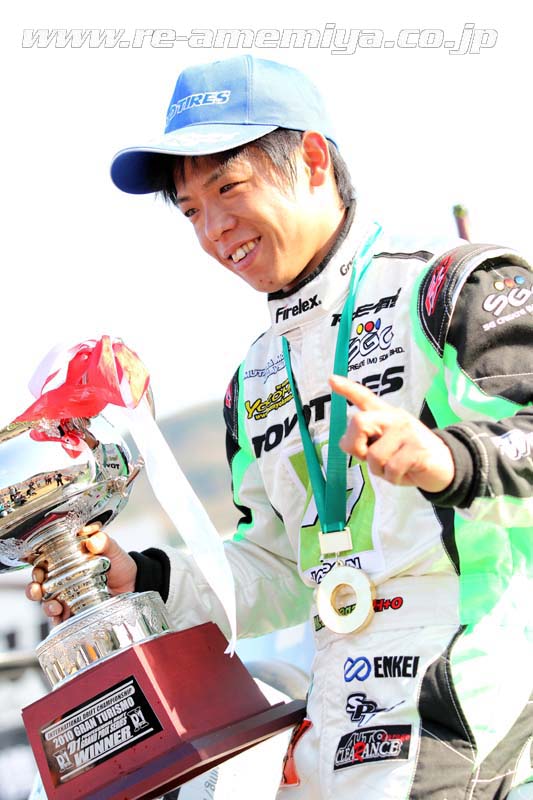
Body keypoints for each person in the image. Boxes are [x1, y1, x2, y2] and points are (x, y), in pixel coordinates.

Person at [26, 56, 532, 798]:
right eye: (190, 210)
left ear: (314, 160)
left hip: (471, 692)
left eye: (228, 188)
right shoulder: (256, 378)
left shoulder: (452, 285)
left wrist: (446, 459)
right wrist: (147, 579)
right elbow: (282, 571)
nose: (213, 229)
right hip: (334, 711)